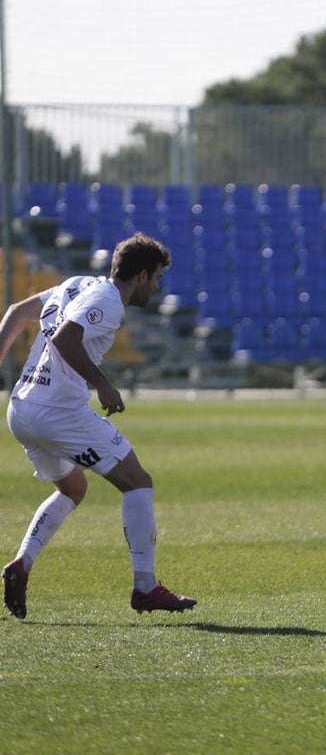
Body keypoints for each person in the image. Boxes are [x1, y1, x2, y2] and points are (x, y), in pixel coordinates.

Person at [0, 233, 196, 619]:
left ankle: (20, 565)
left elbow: (17, 313)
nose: (156, 287)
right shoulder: (108, 302)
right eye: (156, 278)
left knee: (73, 487)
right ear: (140, 276)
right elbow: (64, 339)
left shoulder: (77, 284)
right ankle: (145, 587)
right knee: (137, 481)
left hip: (21, 410)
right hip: (57, 414)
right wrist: (103, 384)